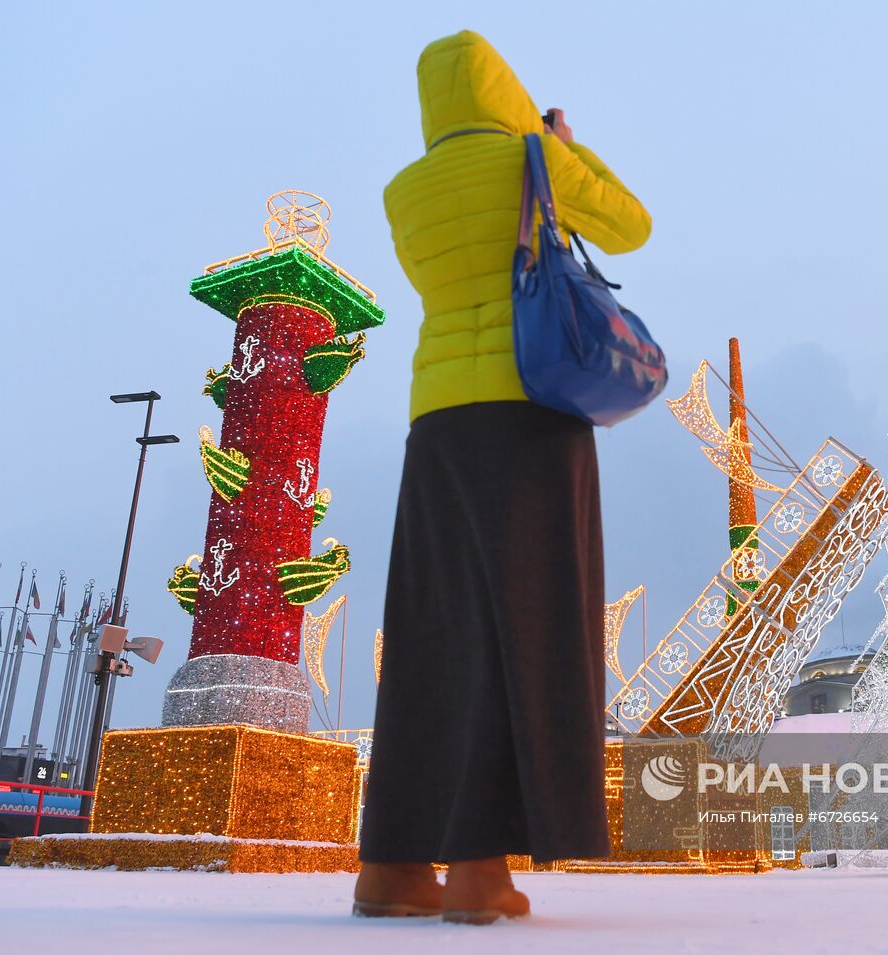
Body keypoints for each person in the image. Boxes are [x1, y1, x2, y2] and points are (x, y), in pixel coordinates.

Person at [354, 30, 651, 925]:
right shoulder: (534, 162)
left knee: (433, 633)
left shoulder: (404, 191)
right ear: (504, 92)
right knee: (525, 631)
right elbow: (631, 224)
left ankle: (393, 865)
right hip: (530, 414)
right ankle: (481, 871)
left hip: (436, 422)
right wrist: (561, 147)